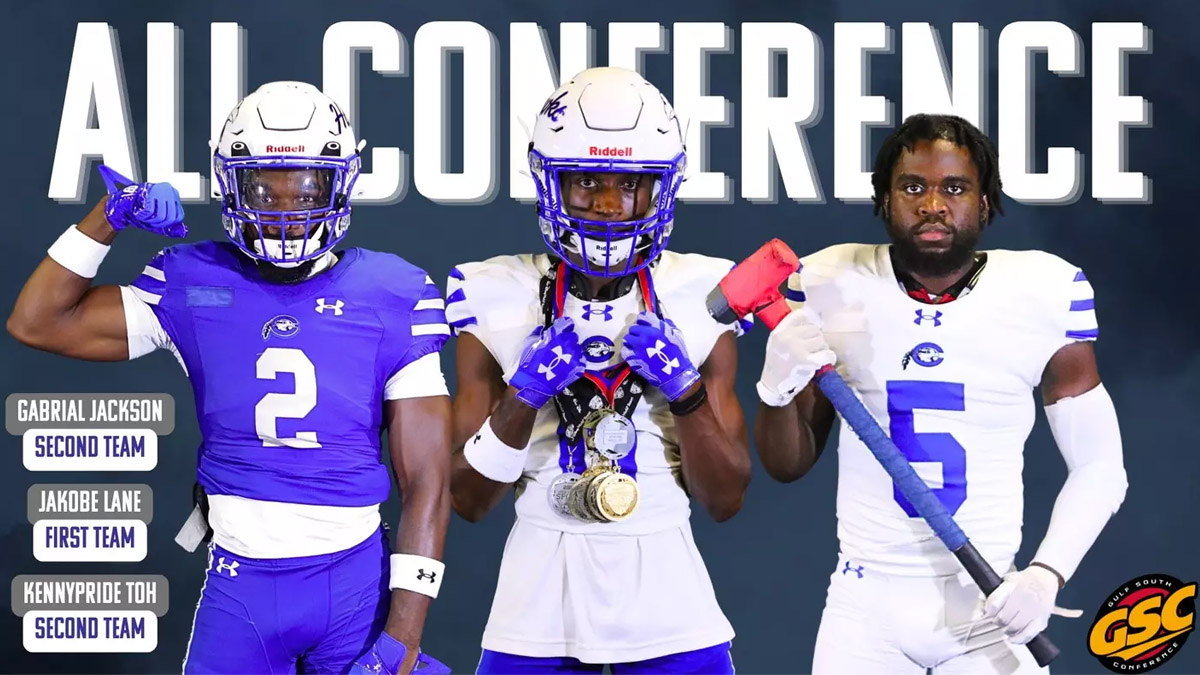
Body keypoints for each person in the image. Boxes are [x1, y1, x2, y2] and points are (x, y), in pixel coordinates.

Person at [8, 81, 452, 675]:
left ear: (340, 182)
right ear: (231, 184)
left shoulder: (394, 292)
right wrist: (106, 219)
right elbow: (37, 322)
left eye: (306, 185)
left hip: (355, 585)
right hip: (239, 581)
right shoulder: (192, 281)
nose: (286, 208)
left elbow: (428, 483)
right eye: (264, 186)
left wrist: (403, 638)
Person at [753, 113, 1128, 674]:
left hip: (990, 597)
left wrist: (1046, 574)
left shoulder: (1042, 292)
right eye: (913, 187)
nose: (933, 204)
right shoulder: (832, 281)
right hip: (865, 605)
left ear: (984, 202)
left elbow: (1102, 468)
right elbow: (788, 464)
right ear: (883, 199)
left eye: (954, 187)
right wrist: (774, 389)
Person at [445, 67, 751, 674]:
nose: (609, 206)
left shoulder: (704, 290)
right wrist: (522, 395)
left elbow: (725, 498)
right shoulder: (493, 291)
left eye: (631, 183)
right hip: (536, 602)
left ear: (662, 188)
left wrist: (685, 392)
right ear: (549, 183)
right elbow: (468, 498)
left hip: (671, 601)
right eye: (586, 181)